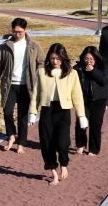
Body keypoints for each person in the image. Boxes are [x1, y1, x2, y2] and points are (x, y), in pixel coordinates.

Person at [29, 43, 87, 185]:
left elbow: (77, 96)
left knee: (63, 142)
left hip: (63, 111)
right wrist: (32, 112)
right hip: (47, 110)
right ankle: (54, 172)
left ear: (63, 58)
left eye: (58, 58)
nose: (55, 61)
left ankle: (64, 164)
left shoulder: (72, 73)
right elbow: (36, 93)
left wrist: (81, 116)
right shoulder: (42, 72)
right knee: (47, 143)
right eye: (53, 58)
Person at [0, 17, 44, 154]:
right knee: (7, 111)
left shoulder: (34, 46)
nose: (17, 34)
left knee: (23, 115)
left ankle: (21, 143)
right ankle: (11, 135)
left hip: (26, 85)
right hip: (9, 85)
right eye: (14, 32)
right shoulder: (5, 46)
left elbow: (42, 63)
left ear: (25, 30)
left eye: (20, 32)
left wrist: (37, 75)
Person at [74, 46, 108, 156]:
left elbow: (105, 81)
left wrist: (93, 71)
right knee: (81, 122)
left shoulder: (104, 67)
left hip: (99, 100)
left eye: (91, 59)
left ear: (96, 58)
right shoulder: (78, 68)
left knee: (95, 125)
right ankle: (80, 145)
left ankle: (93, 149)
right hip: (83, 100)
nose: (88, 61)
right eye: (86, 59)